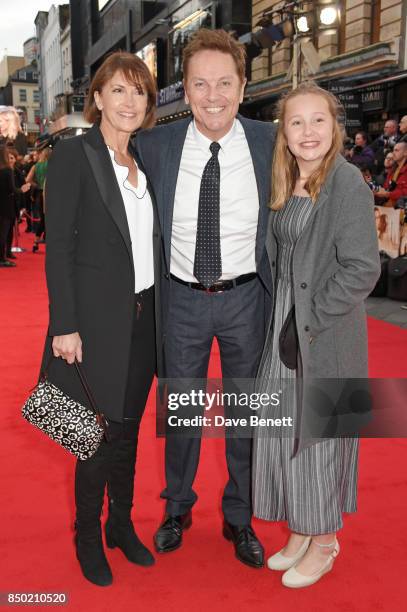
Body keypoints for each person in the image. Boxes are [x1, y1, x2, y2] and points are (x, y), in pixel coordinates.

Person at [136, 28, 275, 568]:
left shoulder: (270, 141)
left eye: (224, 83)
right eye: (200, 83)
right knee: (181, 413)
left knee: (247, 416)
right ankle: (177, 508)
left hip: (248, 298)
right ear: (185, 90)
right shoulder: (155, 146)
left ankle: (239, 517)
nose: (212, 95)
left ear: (242, 86)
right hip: (182, 300)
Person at [40, 51, 163, 586]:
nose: (129, 101)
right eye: (119, 89)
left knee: (128, 431)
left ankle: (121, 525)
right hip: (89, 325)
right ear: (97, 98)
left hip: (143, 320)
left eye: (139, 91)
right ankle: (87, 536)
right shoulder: (74, 155)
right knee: (91, 436)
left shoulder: (144, 162)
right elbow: (58, 249)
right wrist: (65, 324)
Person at [252, 81, 380, 588]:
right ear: (283, 132)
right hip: (282, 323)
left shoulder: (346, 183)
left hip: (321, 329)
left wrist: (305, 319)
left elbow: (361, 270)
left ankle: (325, 539)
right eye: (296, 122)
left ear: (336, 128)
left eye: (318, 121)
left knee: (319, 439)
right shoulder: (285, 179)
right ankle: (303, 529)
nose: (308, 132)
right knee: (285, 431)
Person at [0, 146, 30, 267]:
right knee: (3, 233)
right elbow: (12, 189)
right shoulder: (7, 170)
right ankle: (2, 258)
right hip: (6, 206)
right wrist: (22, 190)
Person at [26, 147, 51, 252]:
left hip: (39, 194)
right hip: (51, 194)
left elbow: (27, 179)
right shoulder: (53, 165)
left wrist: (36, 185)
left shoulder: (36, 166)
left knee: (43, 218)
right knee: (50, 219)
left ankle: (36, 241)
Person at [374, 141, 407, 207]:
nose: (393, 153)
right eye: (393, 150)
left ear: (405, 153)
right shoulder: (392, 170)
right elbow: (386, 188)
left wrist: (388, 194)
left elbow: (405, 193)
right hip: (389, 206)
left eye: (396, 150)